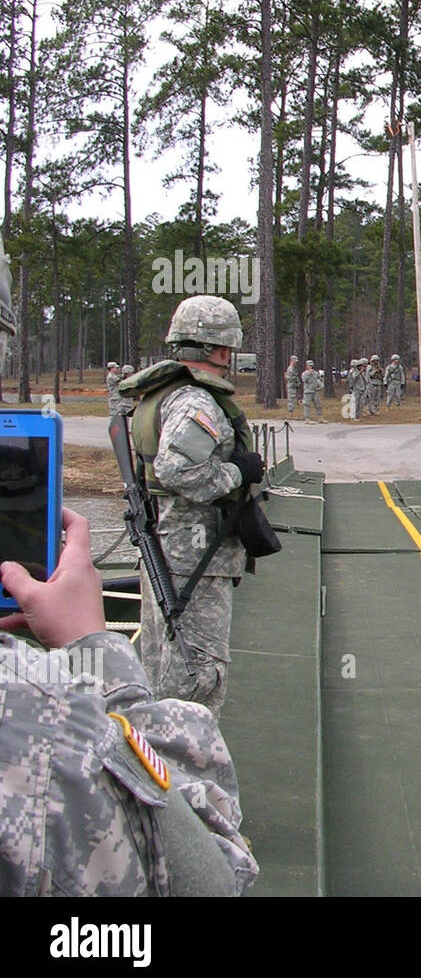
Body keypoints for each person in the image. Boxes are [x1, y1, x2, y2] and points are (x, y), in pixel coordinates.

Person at [0, 509, 259, 895]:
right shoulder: (42, 713)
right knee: (199, 671)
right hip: (192, 556)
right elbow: (206, 879)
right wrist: (90, 644)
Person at [118, 295, 264, 720]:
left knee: (161, 660)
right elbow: (177, 472)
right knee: (196, 673)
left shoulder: (164, 394)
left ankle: (154, 762)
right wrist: (238, 471)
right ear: (221, 349)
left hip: (169, 549)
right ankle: (188, 772)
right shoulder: (194, 400)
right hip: (193, 557)